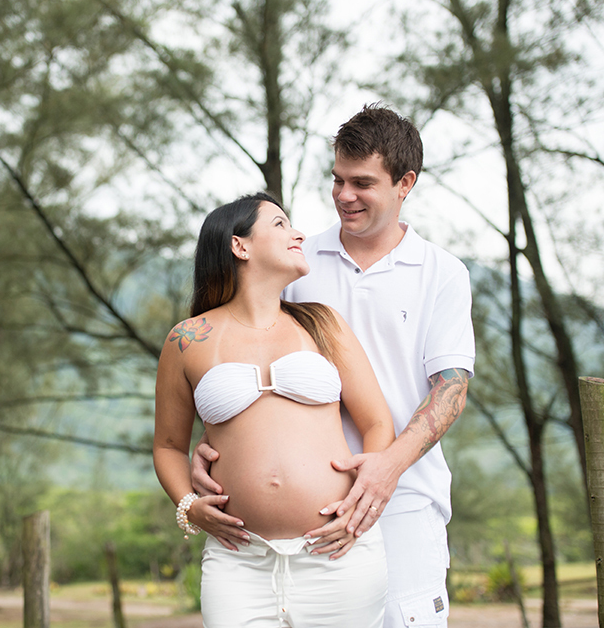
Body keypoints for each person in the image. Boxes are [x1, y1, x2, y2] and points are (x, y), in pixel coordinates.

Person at [192, 104, 475, 628]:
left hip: (407, 497)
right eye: (338, 180)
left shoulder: (442, 273)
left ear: (404, 183)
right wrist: (211, 454)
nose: (344, 195)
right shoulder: (297, 262)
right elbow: (233, 351)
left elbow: (450, 389)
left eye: (362, 182)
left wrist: (386, 469)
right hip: (310, 514)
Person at [154, 191, 396, 627]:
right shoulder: (186, 339)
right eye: (281, 224)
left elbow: (378, 423)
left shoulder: (322, 324)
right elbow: (168, 446)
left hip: (337, 556)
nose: (298, 233)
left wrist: (364, 499)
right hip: (239, 563)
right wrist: (188, 505)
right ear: (239, 245)